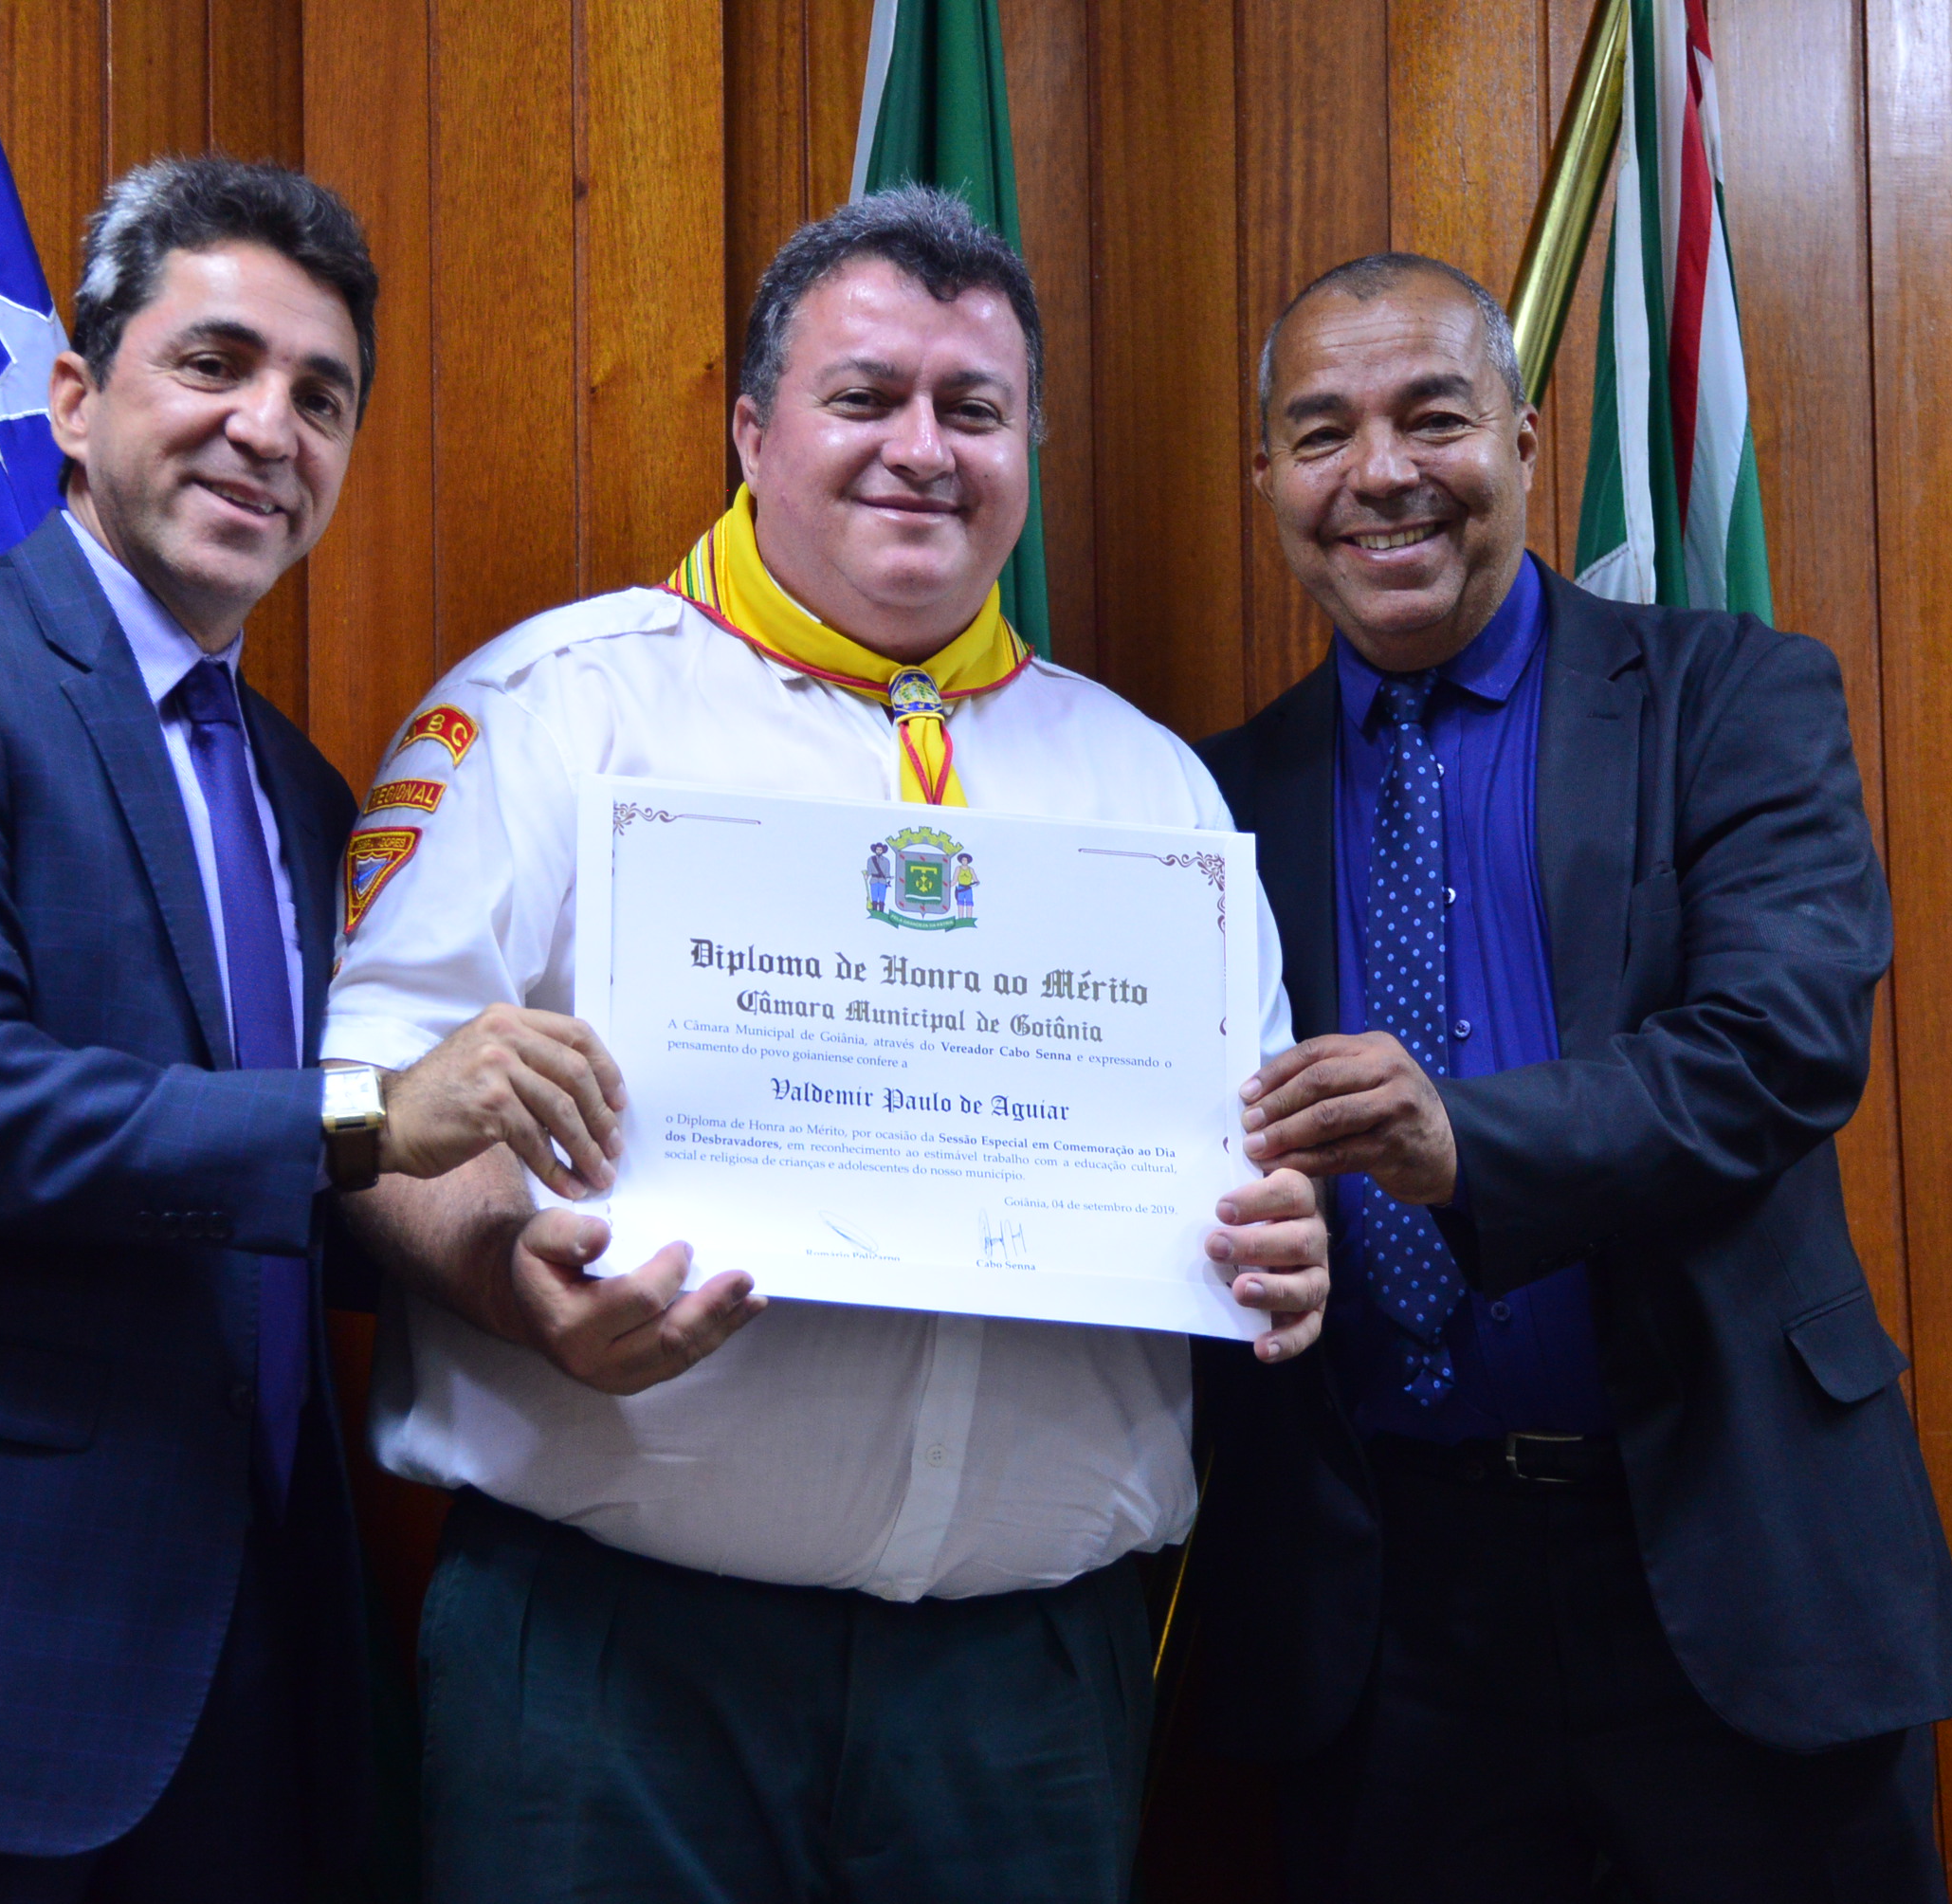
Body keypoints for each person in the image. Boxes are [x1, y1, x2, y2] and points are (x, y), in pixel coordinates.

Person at [0, 156, 629, 1903]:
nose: (267, 428)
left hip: (246, 1662)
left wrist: (516, 1258)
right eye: (214, 364)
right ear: (74, 403)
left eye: (322, 397)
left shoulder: (304, 794)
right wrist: (376, 1115)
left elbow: (281, 1200)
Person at [321, 184, 1329, 1904]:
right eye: (865, 397)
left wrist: (1279, 1244)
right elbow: (371, 1111)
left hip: (1023, 1696)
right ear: (752, 430)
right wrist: (506, 1280)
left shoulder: (1152, 793)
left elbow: (1246, 1162)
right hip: (615, 1664)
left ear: (1027, 448)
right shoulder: (549, 711)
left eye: (973, 408)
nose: (922, 450)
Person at [1187, 251, 1952, 1901]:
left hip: (1731, 1557)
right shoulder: (1208, 804)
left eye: (1434, 418)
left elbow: (1781, 1047)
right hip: (1384, 1617)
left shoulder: (1732, 697)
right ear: (1265, 478)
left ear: (1527, 440)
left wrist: (1459, 1143)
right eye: (1321, 434)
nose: (1380, 473)